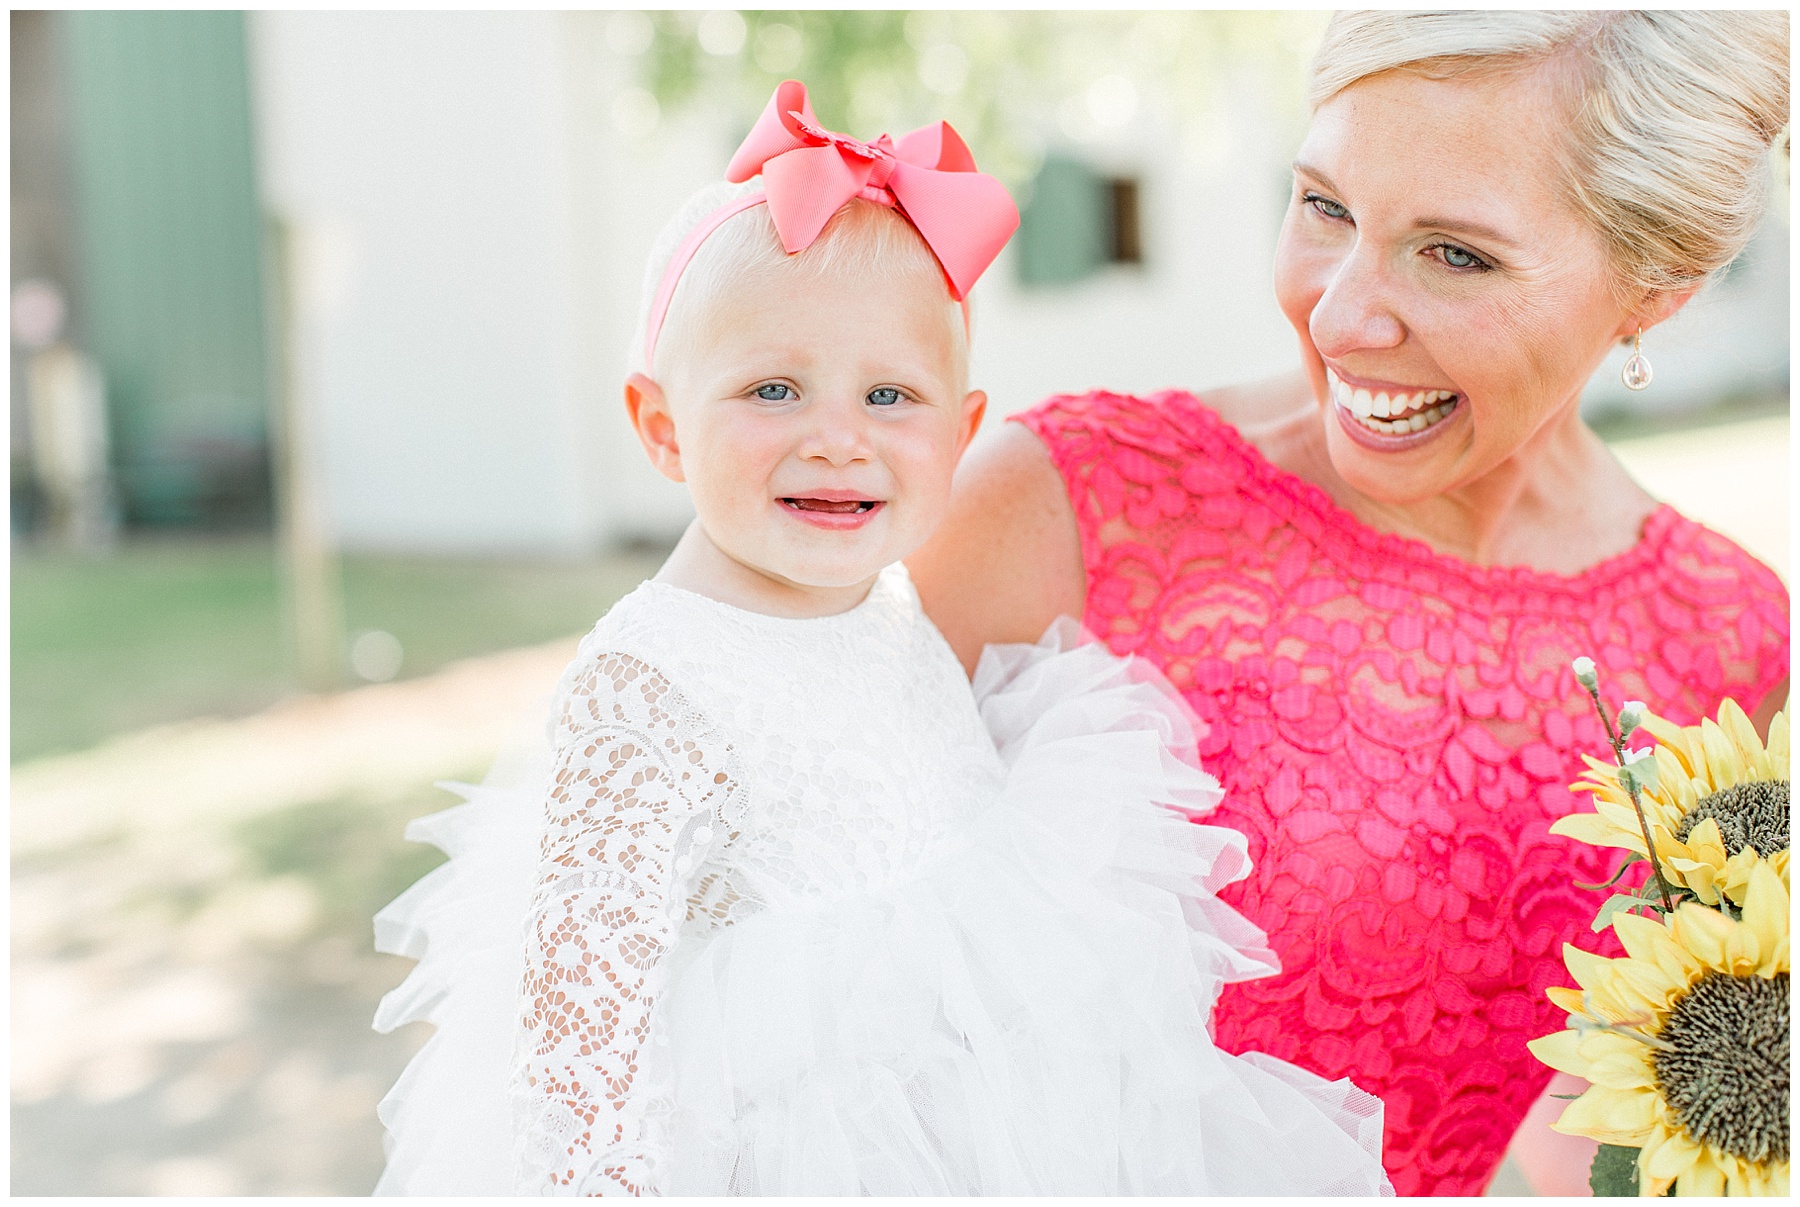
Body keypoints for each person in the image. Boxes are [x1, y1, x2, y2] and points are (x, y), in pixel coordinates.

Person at [370, 81, 1393, 1196]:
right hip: (793, 1150)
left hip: (987, 1117)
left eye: (891, 396)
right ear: (663, 425)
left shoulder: (887, 594)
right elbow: (580, 1044)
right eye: (773, 388)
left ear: (960, 434)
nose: (838, 441)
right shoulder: (651, 681)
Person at [908, 11, 1790, 1197]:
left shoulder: (1726, 634)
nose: (1338, 315)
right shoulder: (1057, 507)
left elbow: (1621, 1127)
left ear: (1658, 285)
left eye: (1457, 255)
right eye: (1325, 206)